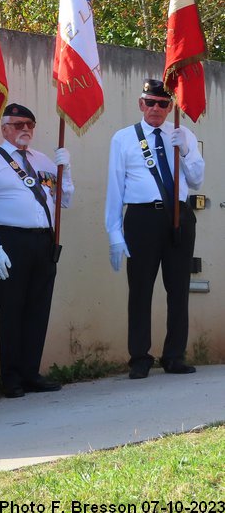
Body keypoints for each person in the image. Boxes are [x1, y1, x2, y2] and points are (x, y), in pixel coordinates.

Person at [0, 103, 74, 398]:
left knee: (38, 309)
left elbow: (64, 201)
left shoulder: (42, 161)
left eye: (30, 124)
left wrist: (66, 170)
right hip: (10, 241)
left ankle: (31, 372)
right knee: (12, 311)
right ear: (4, 129)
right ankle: (11, 378)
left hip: (43, 241)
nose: (25, 129)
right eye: (18, 124)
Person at [105, 79, 204, 380]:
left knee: (178, 290)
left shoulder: (182, 132)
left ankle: (174, 356)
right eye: (150, 102)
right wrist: (114, 233)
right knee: (140, 290)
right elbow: (115, 187)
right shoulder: (123, 138)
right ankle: (139, 357)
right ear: (140, 104)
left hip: (179, 217)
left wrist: (186, 151)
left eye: (163, 104)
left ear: (170, 107)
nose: (156, 109)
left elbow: (198, 179)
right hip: (142, 218)